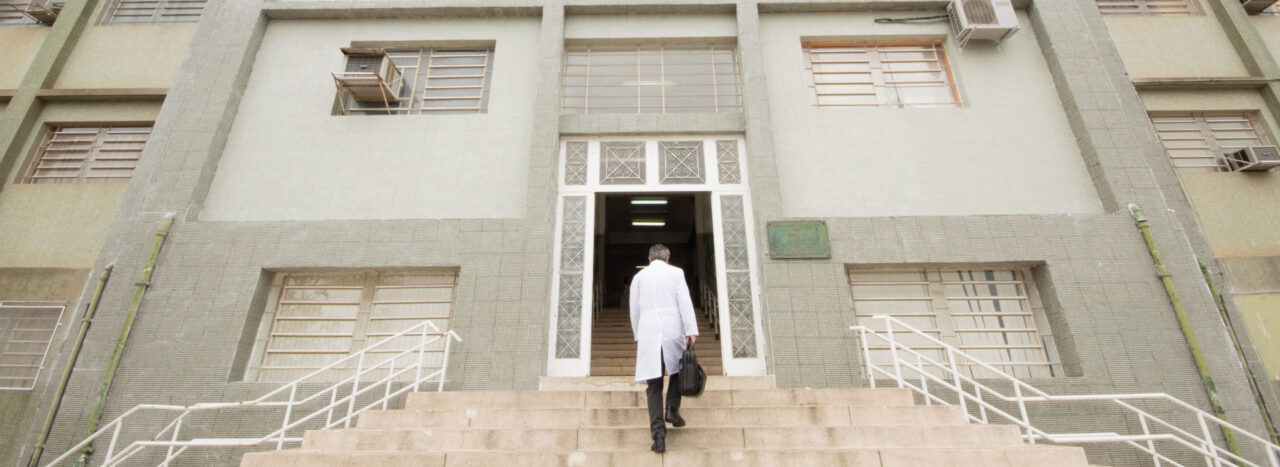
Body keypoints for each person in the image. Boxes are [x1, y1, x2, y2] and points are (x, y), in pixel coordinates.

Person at [629, 244, 699, 453]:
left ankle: (658, 437)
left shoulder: (639, 277)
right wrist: (691, 330)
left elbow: (634, 308)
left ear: (649, 259)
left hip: (649, 331)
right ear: (668, 259)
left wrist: (637, 333)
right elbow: (685, 303)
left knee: (654, 385)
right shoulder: (676, 273)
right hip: (672, 329)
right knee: (679, 371)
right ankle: (672, 408)